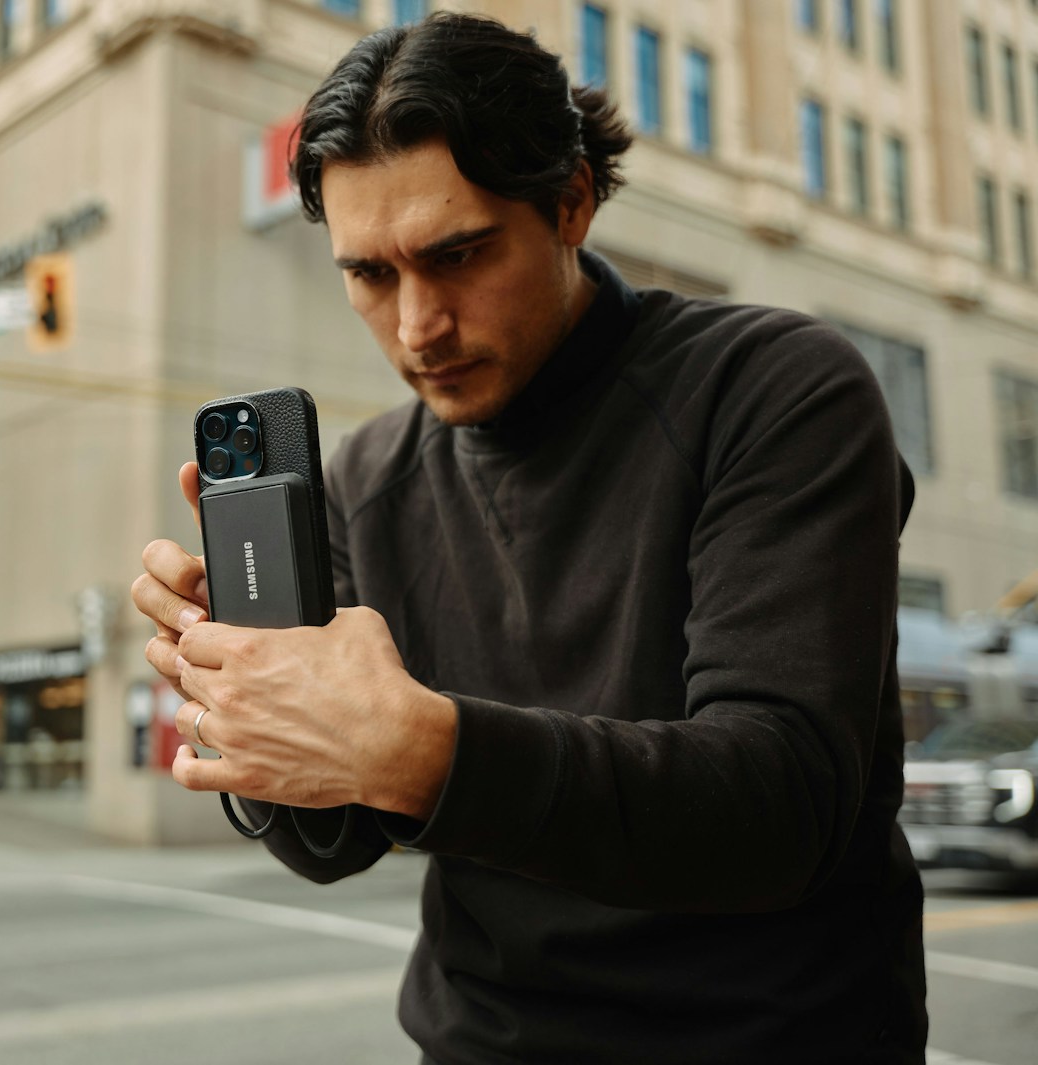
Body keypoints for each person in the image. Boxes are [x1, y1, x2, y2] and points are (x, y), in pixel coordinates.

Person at [132, 13, 925, 1065]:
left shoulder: (772, 388)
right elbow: (329, 846)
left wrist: (420, 750)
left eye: (455, 256)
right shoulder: (362, 482)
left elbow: (782, 803)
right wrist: (246, 702)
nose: (416, 325)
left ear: (571, 202)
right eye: (369, 274)